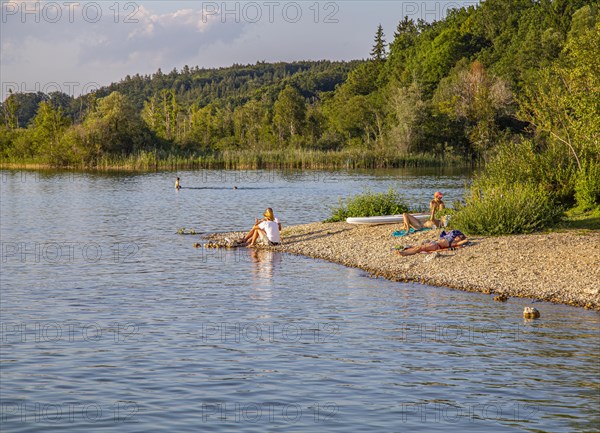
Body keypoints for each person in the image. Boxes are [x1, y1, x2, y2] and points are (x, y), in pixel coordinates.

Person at [396, 230, 468, 256]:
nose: (457, 237)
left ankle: (405, 253)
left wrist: (464, 239)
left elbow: (465, 241)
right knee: (418, 248)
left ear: (460, 240)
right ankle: (405, 251)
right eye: (458, 236)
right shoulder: (451, 239)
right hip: (434, 243)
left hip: (435, 246)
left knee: (420, 248)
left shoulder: (454, 243)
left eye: (459, 237)